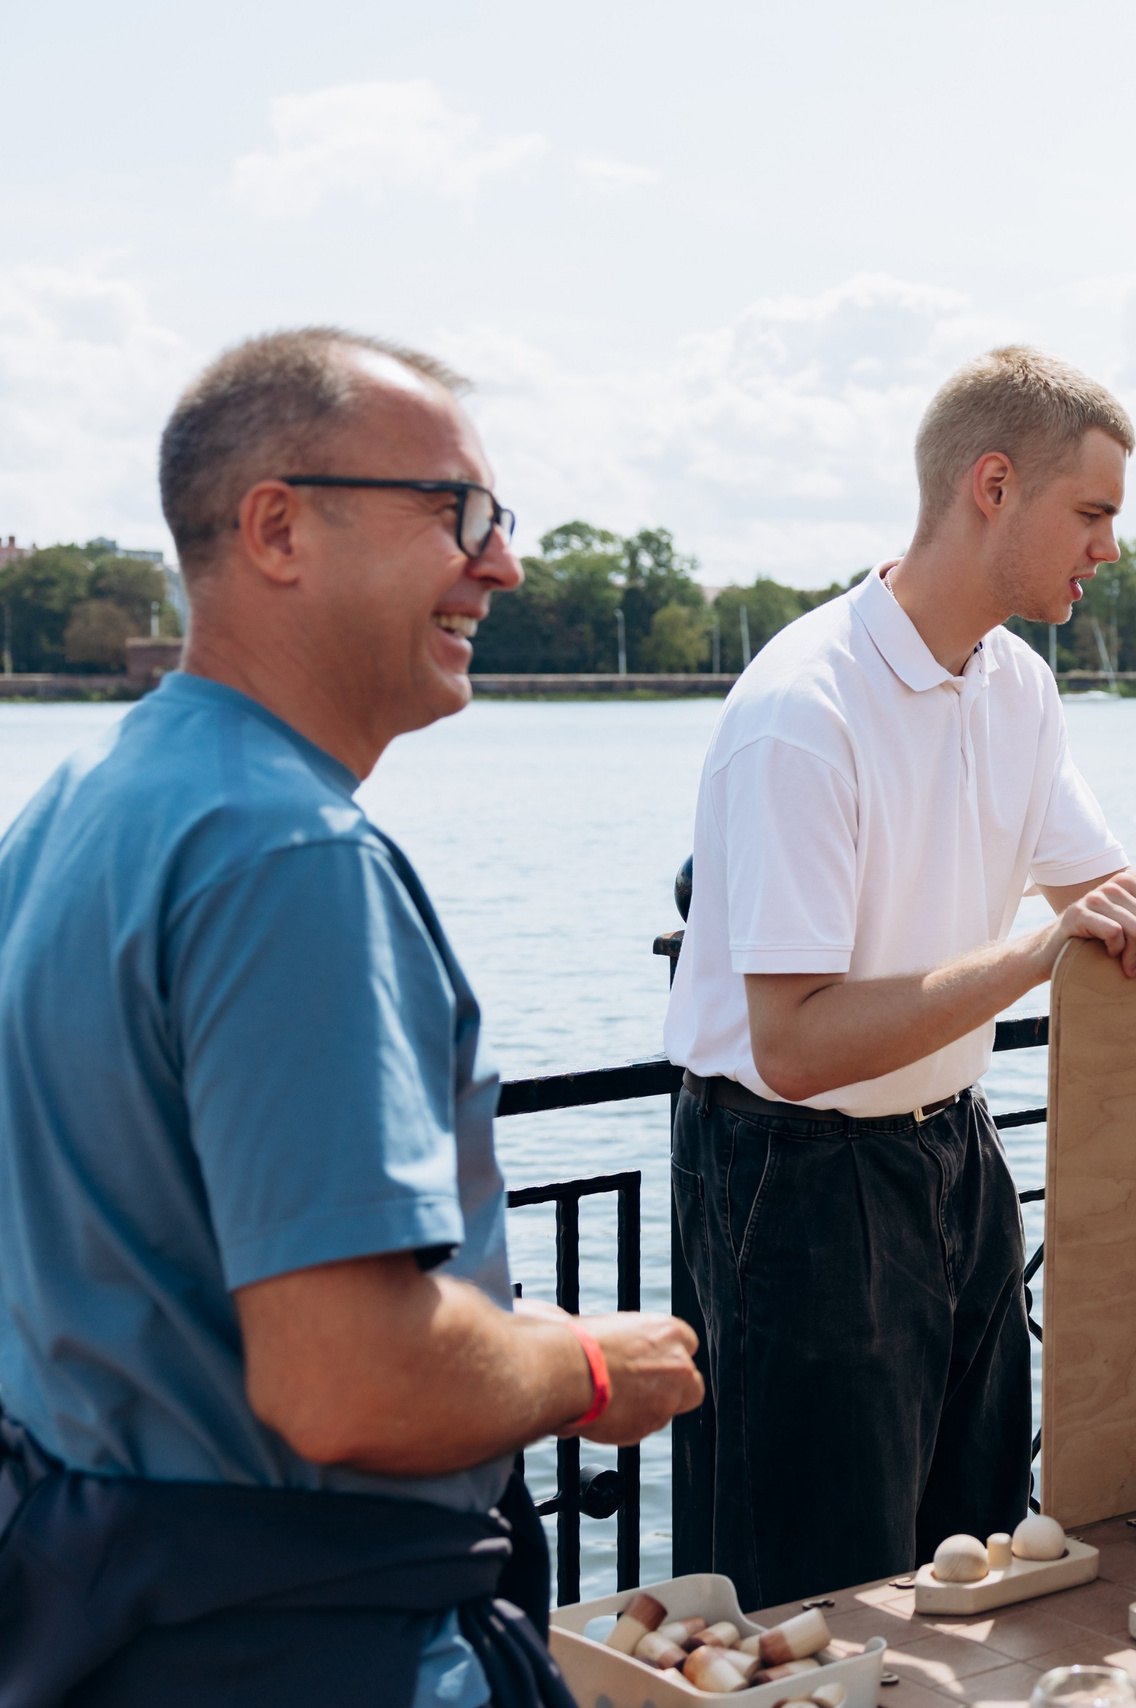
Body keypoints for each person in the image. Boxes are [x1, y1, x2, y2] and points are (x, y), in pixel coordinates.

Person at [0, 329, 703, 1706]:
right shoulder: (290, 854)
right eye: (458, 513)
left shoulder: (72, 816)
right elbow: (348, 1386)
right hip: (302, 1637)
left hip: (97, 1623)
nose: (500, 562)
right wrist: (579, 1367)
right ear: (277, 529)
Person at [663, 345, 1136, 1607]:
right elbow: (792, 1043)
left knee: (975, 1567)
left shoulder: (1017, 684)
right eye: (1094, 512)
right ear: (994, 485)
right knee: (820, 1592)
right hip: (788, 1180)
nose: (1111, 548)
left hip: (951, 1160)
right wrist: (1036, 951)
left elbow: (1110, 916)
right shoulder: (805, 708)